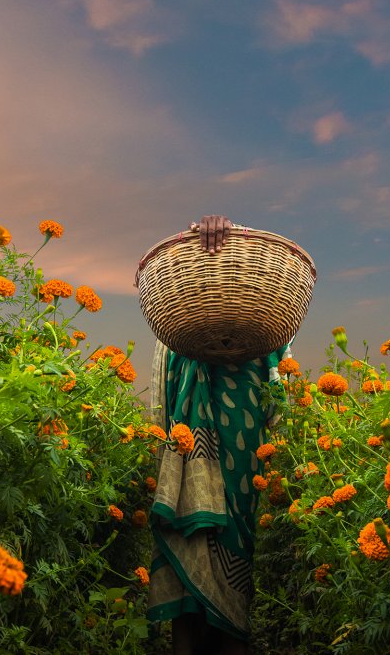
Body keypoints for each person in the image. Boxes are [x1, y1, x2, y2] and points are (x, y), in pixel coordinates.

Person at [145, 215, 292, 655]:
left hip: (245, 453)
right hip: (187, 446)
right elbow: (160, 395)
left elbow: (281, 398)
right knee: (188, 566)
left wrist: (284, 458)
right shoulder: (180, 324)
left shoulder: (265, 320)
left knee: (234, 558)